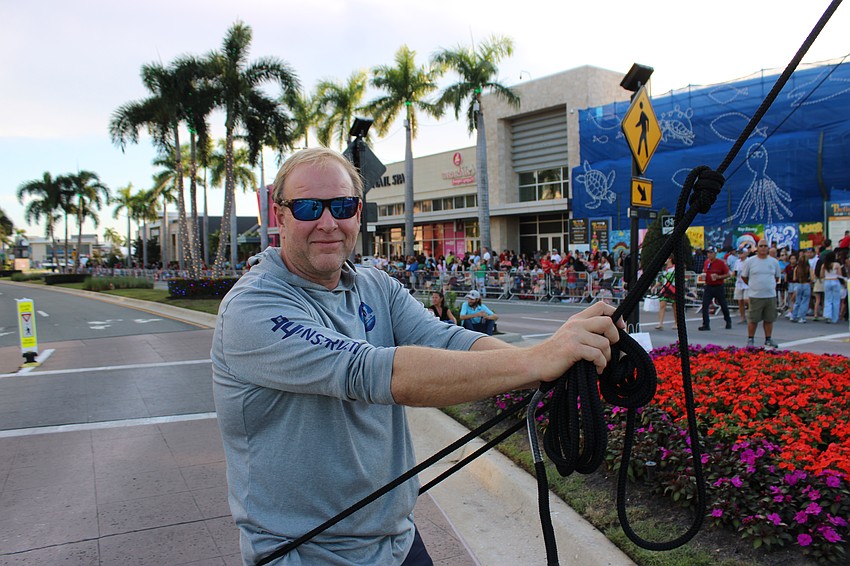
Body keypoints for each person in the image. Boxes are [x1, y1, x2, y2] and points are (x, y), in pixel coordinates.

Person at [211, 148, 623, 565]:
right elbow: (372, 372)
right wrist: (536, 360)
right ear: (279, 216)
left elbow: (445, 339)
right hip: (304, 553)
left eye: (342, 206)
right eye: (307, 207)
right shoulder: (253, 308)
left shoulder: (376, 286)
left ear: (357, 214)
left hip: (396, 541)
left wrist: (553, 363)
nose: (328, 222)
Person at [740, 240, 782, 348]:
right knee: (753, 319)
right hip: (755, 295)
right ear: (757, 248)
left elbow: (777, 277)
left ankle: (768, 339)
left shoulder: (774, 262)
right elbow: (744, 277)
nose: (763, 248)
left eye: (765, 246)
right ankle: (750, 339)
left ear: (768, 248)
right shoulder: (750, 261)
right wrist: (753, 285)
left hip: (770, 295)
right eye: (761, 246)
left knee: (769, 319)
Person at [698, 248, 732, 331]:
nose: (709, 255)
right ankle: (706, 324)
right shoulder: (706, 262)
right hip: (709, 286)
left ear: (715, 254)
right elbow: (705, 271)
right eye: (708, 253)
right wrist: (704, 276)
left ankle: (728, 321)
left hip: (718, 286)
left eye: (711, 253)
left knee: (723, 304)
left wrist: (718, 277)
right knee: (705, 305)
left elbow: (728, 274)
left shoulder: (720, 263)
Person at [820, 251, 845, 324]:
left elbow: (821, 275)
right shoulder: (837, 264)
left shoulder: (824, 265)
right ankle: (834, 318)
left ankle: (828, 316)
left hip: (827, 281)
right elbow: (840, 275)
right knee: (836, 300)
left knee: (828, 299)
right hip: (835, 281)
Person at [655, 256, 678, 330]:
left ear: (670, 259)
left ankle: (676, 322)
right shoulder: (664, 270)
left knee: (675, 307)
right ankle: (660, 323)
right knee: (662, 305)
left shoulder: (675, 269)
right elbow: (662, 280)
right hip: (665, 289)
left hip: (673, 289)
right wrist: (655, 286)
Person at [791, 256, 812, 323]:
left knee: (797, 301)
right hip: (806, 284)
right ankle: (802, 317)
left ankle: (794, 316)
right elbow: (812, 277)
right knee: (805, 301)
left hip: (799, 284)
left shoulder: (797, 268)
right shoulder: (809, 268)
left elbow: (794, 278)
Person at [733, 248, 750, 324]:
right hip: (739, 282)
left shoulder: (749, 261)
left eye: (742, 253)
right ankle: (743, 318)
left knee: (747, 299)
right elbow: (735, 272)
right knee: (740, 301)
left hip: (747, 283)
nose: (740, 254)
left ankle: (752, 315)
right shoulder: (737, 262)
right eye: (739, 253)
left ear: (746, 253)